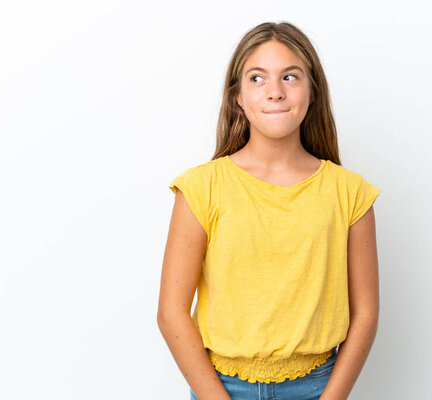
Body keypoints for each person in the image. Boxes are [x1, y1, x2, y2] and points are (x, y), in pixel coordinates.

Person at [157, 21, 382, 400]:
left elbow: (365, 315)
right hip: (221, 388)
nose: (275, 92)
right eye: (257, 78)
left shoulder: (350, 193)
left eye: (290, 77)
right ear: (238, 97)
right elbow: (171, 314)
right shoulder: (200, 188)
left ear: (313, 92)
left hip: (317, 388)